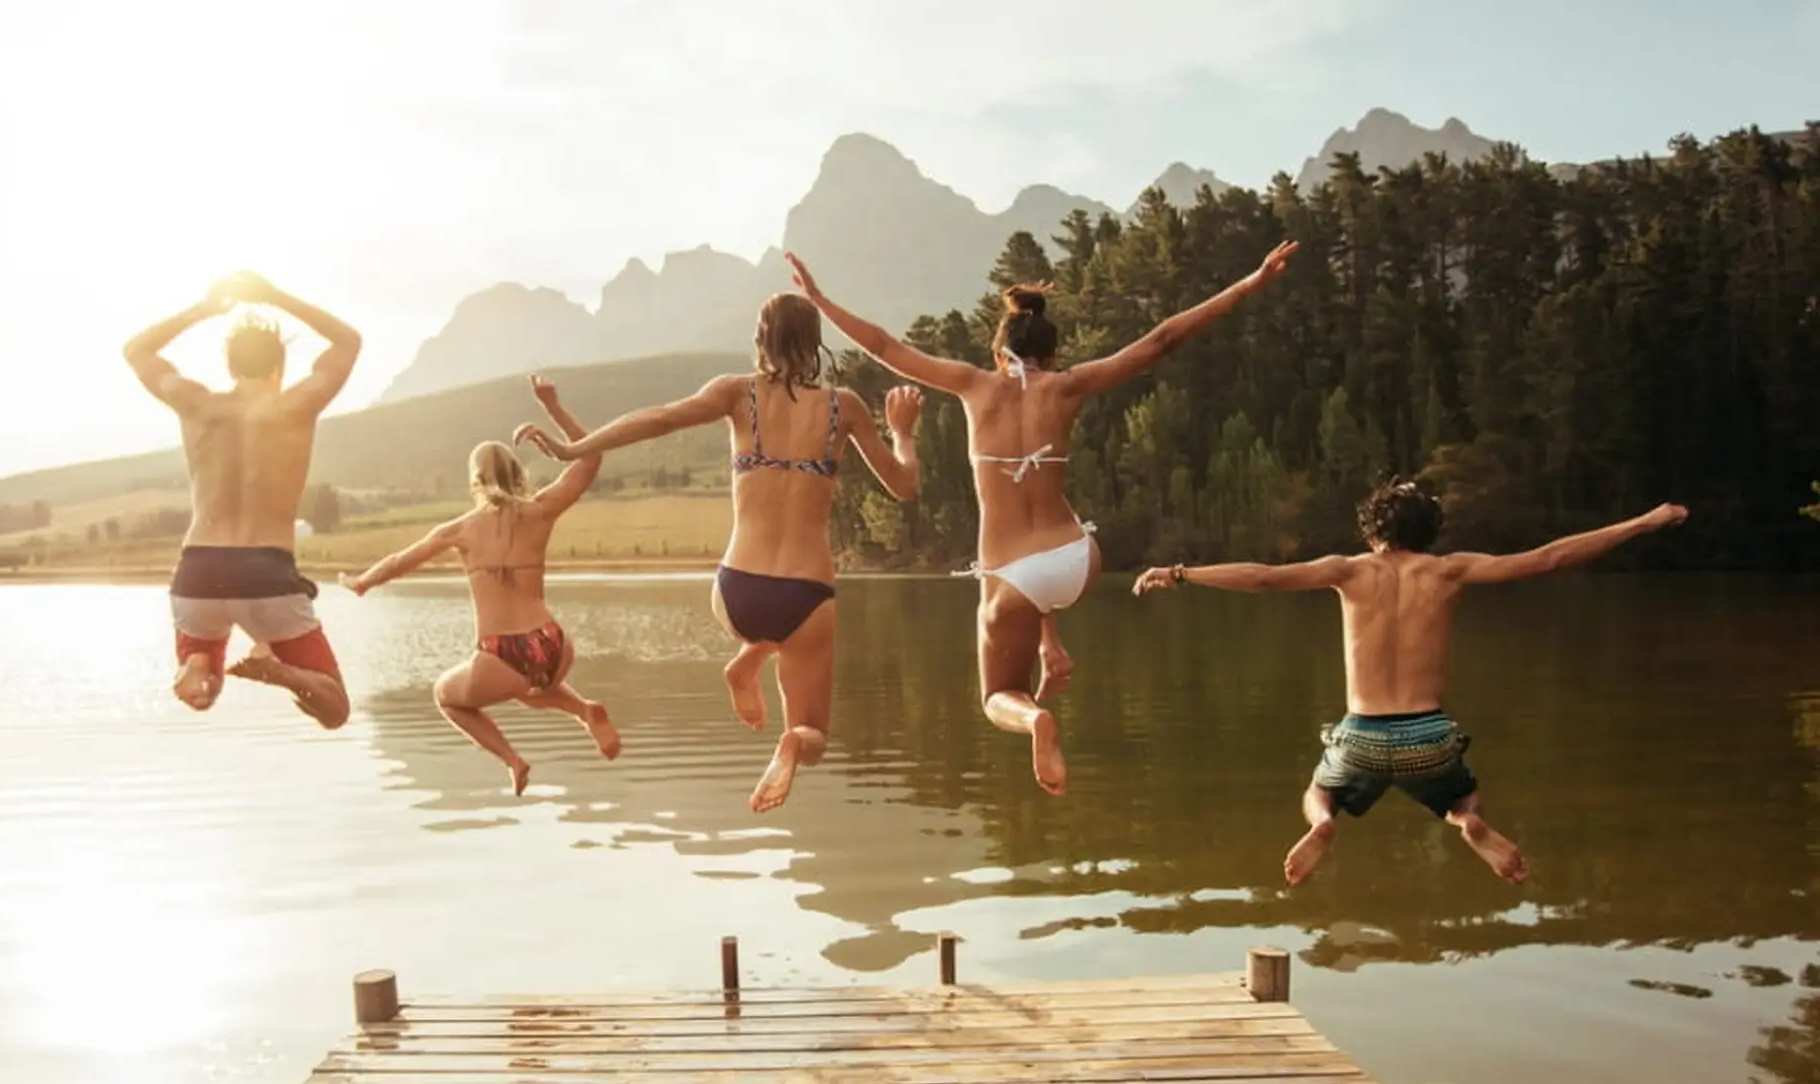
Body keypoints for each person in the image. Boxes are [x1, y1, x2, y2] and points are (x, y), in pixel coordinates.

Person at [787, 242, 1296, 796]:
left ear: (1000, 353)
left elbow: (884, 345)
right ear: (1052, 355)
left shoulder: (973, 385)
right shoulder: (1068, 386)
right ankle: (1049, 644)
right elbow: (1162, 339)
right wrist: (1250, 281)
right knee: (1038, 549)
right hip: (1079, 559)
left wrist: (819, 301)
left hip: (1018, 576)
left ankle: (1035, 720)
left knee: (995, 696)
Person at [1134, 481, 1690, 885]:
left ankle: (1324, 823)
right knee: (1460, 793)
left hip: (1362, 736)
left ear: (1373, 531)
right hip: (1428, 735)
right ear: (1430, 531)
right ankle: (1470, 821)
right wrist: (1643, 522)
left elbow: (1261, 577)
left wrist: (1181, 573)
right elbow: (1549, 558)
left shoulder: (1347, 571)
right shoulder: (1449, 570)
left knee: (1320, 789)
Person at [520, 297, 923, 812]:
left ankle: (745, 661)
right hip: (808, 594)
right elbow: (905, 486)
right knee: (812, 730)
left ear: (761, 340)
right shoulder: (844, 407)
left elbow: (657, 419)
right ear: (814, 342)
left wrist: (573, 449)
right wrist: (905, 431)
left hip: (738, 591)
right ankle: (791, 741)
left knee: (763, 629)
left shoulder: (738, 394)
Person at [339, 379, 621, 795]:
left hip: (501, 654)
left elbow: (403, 561)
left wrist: (362, 582)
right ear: (519, 475)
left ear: (474, 481)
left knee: (447, 696)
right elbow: (591, 455)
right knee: (528, 687)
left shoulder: (460, 530)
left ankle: (513, 760)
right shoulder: (541, 510)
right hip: (553, 643)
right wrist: (553, 407)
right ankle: (583, 710)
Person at [122, 271, 361, 727]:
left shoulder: (196, 404)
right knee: (334, 710)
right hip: (264, 572)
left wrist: (203, 310)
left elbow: (137, 351)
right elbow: (347, 342)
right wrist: (275, 296)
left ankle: (199, 668)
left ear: (230, 366)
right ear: (278, 367)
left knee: (205, 689)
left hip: (197, 571)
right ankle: (281, 672)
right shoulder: (297, 405)